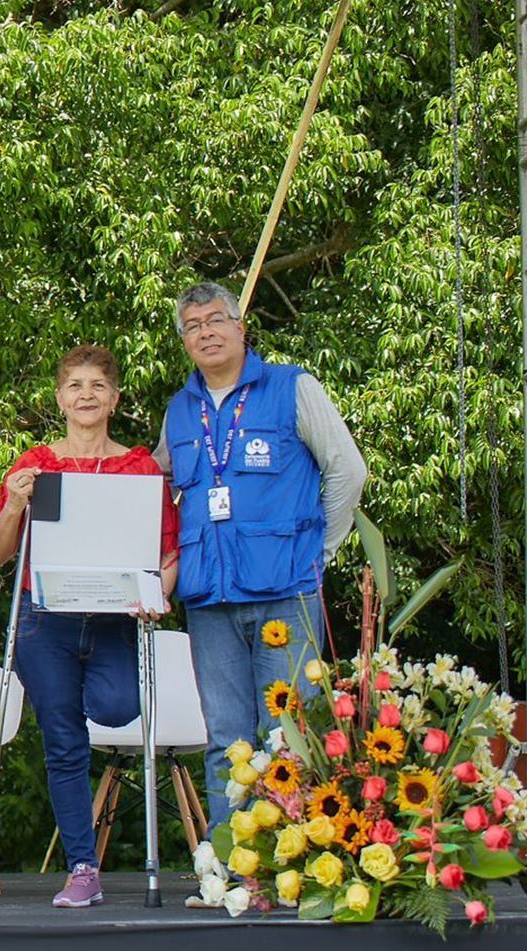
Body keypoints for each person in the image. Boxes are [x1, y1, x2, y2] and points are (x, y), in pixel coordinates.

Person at [156, 282, 366, 828]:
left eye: (215, 320)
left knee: (291, 735)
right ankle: (230, 869)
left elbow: (348, 470)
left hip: (286, 594)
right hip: (209, 599)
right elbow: (154, 491)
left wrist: (320, 549)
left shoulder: (292, 387)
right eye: (193, 327)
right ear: (184, 342)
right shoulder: (180, 410)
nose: (206, 333)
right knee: (227, 740)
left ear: (240, 327)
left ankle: (294, 865)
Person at [0, 345, 178, 908]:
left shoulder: (140, 467)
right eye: (75, 385)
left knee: (117, 707)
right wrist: (16, 505)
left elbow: (169, 551)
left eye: (97, 385)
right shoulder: (36, 464)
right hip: (47, 621)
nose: (85, 395)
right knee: (64, 742)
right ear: (60, 398)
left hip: (117, 619)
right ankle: (83, 867)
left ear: (114, 399)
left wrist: (157, 593)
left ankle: (87, 861)